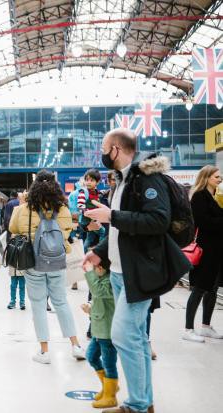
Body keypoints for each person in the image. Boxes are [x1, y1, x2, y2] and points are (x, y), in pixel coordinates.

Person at [82, 128, 191, 413]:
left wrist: (112, 216)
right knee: (138, 339)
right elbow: (122, 232)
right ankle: (145, 402)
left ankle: (136, 404)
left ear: (116, 149)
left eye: (105, 148)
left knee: (123, 336)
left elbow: (158, 220)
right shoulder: (123, 180)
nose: (102, 154)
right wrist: (100, 252)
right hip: (120, 271)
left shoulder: (146, 178)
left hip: (139, 272)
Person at [9, 170, 86, 364]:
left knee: (38, 305)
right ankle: (76, 345)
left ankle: (44, 352)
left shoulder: (24, 208)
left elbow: (13, 228)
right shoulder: (64, 209)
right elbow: (67, 233)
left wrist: (22, 206)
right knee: (61, 302)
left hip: (33, 262)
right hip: (57, 262)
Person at [183, 165, 223, 343]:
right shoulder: (199, 197)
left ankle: (206, 326)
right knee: (199, 288)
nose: (220, 179)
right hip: (205, 250)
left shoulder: (212, 197)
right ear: (206, 178)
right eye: (216, 177)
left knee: (212, 289)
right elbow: (204, 221)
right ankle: (188, 329)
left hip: (215, 250)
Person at [82, 259, 119, 409]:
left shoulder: (110, 280)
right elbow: (97, 297)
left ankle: (110, 396)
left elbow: (99, 292)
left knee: (110, 364)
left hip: (107, 331)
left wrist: (90, 273)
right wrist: (90, 306)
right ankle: (109, 387)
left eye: (95, 266)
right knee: (91, 356)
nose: (93, 269)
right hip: (98, 329)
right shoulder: (100, 278)